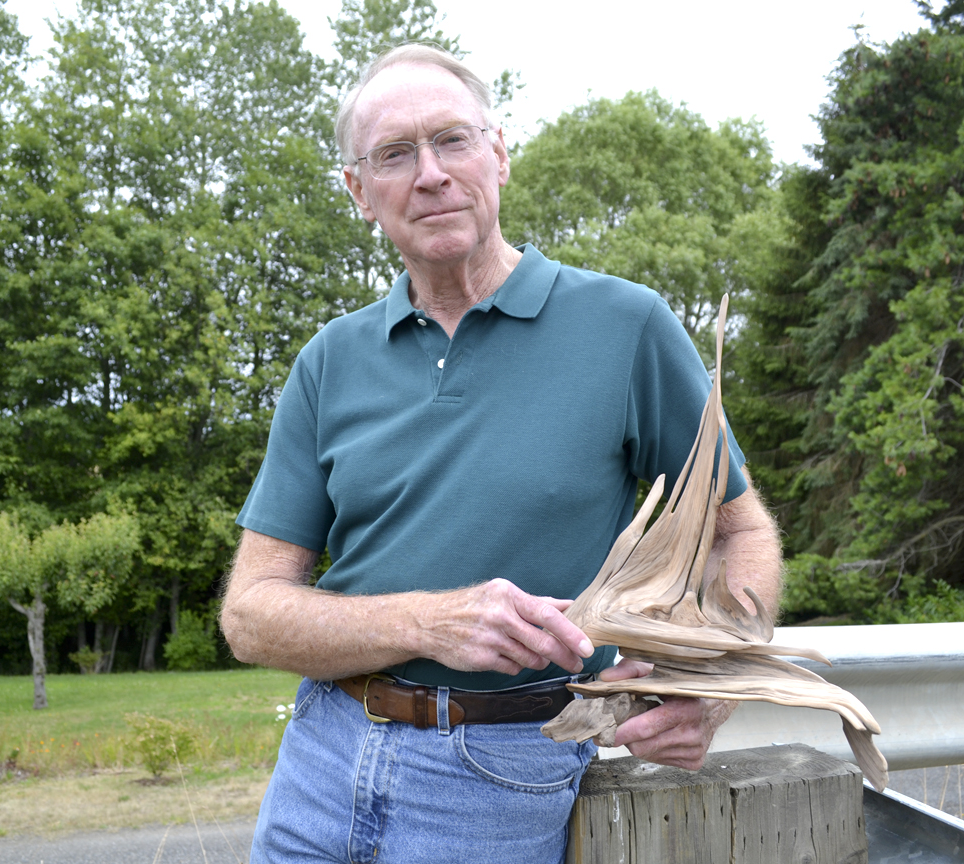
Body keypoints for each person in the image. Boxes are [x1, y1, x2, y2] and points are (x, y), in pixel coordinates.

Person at [219, 43, 783, 864]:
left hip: (506, 773)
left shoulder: (625, 326)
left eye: (452, 140)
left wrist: (713, 688)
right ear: (359, 192)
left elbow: (743, 534)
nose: (431, 173)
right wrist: (429, 621)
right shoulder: (329, 361)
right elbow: (250, 614)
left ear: (499, 155)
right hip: (319, 760)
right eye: (394, 155)